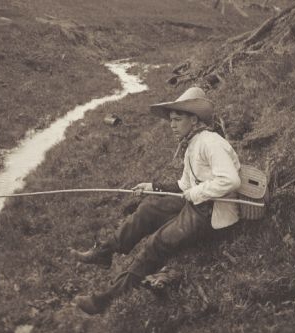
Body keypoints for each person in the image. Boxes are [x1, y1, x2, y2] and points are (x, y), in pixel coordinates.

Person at [71, 86, 242, 315]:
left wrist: (196, 193)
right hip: (199, 203)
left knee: (157, 243)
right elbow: (184, 185)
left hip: (213, 214)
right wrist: (153, 187)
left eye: (177, 119)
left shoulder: (210, 143)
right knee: (149, 208)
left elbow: (230, 180)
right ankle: (105, 251)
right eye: (171, 119)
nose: (172, 125)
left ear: (193, 119)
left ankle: (105, 300)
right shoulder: (192, 143)